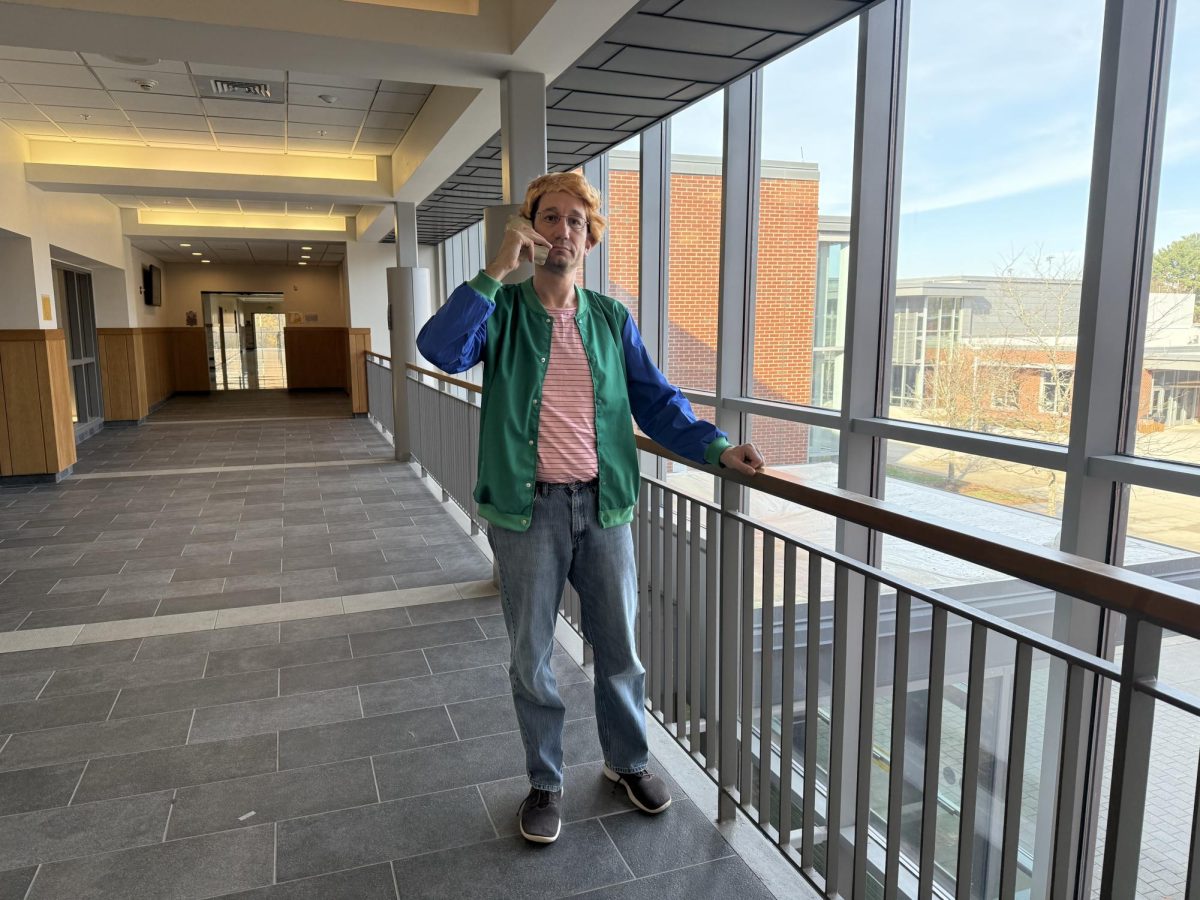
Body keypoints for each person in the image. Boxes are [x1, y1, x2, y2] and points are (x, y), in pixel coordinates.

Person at [416, 172, 764, 844]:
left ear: (589, 239)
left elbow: (658, 402)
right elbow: (439, 349)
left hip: (604, 511)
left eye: (576, 222)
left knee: (621, 650)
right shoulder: (505, 311)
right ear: (529, 229)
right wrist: (494, 269)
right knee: (533, 656)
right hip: (527, 515)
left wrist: (717, 447)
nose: (563, 231)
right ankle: (545, 783)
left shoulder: (611, 319)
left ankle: (626, 762)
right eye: (550, 218)